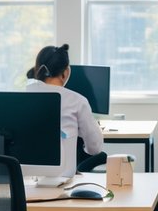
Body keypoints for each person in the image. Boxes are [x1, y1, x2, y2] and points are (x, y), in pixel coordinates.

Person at [24, 43, 104, 175]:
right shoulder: (77, 101)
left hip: (27, 177)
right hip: (64, 176)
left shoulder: (23, 97)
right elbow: (95, 148)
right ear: (66, 72)